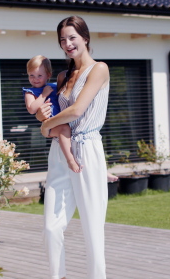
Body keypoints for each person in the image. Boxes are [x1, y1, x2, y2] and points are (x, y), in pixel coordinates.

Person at [36, 16, 110, 279]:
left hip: (87, 149)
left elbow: (77, 110)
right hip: (60, 150)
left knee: (92, 229)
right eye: (62, 40)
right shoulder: (62, 76)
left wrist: (46, 127)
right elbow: (51, 112)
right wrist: (43, 119)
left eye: (72, 37)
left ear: (85, 38)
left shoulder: (99, 69)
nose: (67, 44)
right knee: (51, 227)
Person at [24, 55, 82, 173]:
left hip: (66, 122)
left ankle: (103, 172)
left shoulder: (55, 86)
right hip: (52, 127)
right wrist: (43, 95)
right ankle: (70, 160)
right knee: (64, 129)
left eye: (40, 75)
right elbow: (31, 109)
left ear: (48, 75)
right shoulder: (30, 93)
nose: (36, 79)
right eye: (32, 75)